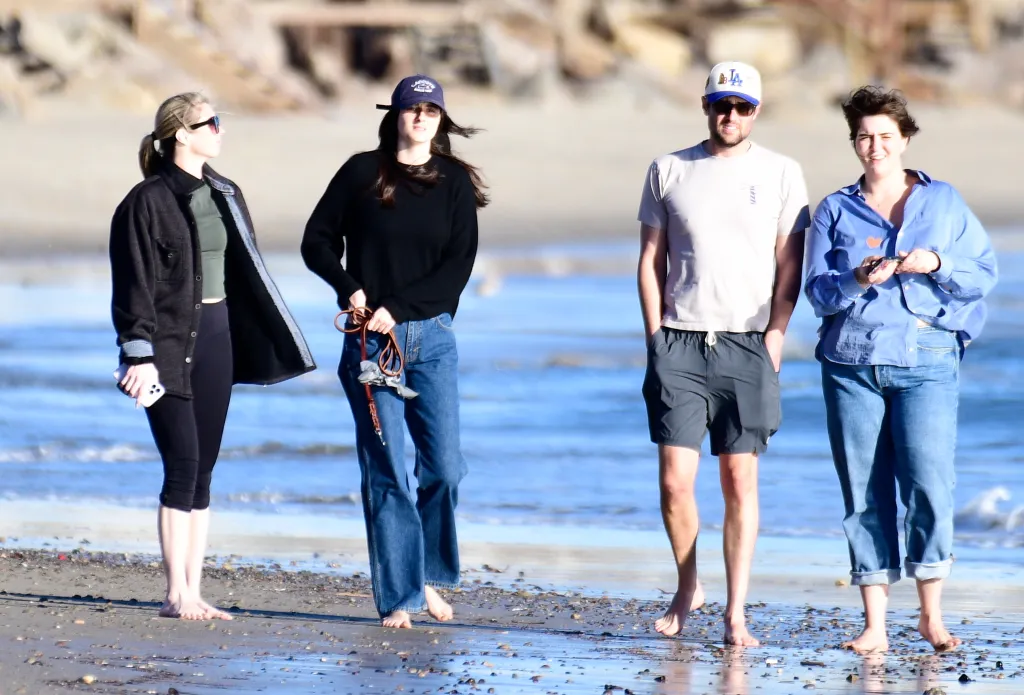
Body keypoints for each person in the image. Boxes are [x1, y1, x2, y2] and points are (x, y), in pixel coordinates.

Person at [804, 86, 997, 653]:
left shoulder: (944, 202)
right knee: (863, 493)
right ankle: (876, 625)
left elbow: (982, 273)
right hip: (851, 363)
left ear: (905, 139)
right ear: (854, 143)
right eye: (864, 136)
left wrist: (934, 261)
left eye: (885, 135)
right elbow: (817, 293)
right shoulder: (835, 210)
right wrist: (857, 278)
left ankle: (931, 616)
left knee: (929, 484)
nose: (874, 146)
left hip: (928, 357)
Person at [109, 92, 315, 620]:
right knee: (180, 464)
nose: (221, 130)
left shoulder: (227, 192)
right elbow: (133, 285)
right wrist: (138, 355)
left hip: (219, 337)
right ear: (182, 133)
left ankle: (195, 590)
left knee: (204, 470)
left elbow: (248, 275)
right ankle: (175, 593)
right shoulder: (145, 202)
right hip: (168, 345)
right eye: (211, 123)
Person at [301, 74, 487, 629]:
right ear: (396, 114)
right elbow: (316, 240)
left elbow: (457, 268)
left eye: (432, 110)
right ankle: (400, 597)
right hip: (368, 344)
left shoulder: (454, 182)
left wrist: (400, 308)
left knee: (445, 468)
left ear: (442, 120)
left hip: (431, 339)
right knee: (386, 467)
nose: (421, 117)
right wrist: (347, 285)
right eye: (413, 108)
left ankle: (430, 576)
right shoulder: (362, 171)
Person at [636, 61, 810, 646]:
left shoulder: (783, 173)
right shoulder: (668, 170)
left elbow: (791, 265)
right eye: (720, 105)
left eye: (741, 107)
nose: (729, 116)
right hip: (680, 340)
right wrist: (654, 337)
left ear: (756, 112)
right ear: (706, 106)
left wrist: (777, 334)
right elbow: (650, 261)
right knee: (674, 484)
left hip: (748, 341)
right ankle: (689, 585)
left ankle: (737, 611)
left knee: (739, 479)